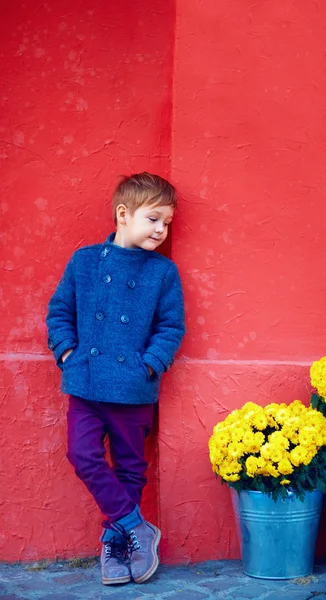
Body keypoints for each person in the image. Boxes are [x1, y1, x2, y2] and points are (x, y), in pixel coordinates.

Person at [46, 172, 186, 586]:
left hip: (133, 386)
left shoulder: (163, 272)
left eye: (168, 223)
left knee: (130, 467)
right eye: (154, 219)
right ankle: (135, 525)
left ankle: (117, 543)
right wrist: (68, 354)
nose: (162, 229)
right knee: (83, 455)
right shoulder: (84, 261)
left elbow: (171, 328)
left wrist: (149, 365)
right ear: (124, 214)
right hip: (86, 382)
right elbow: (59, 312)